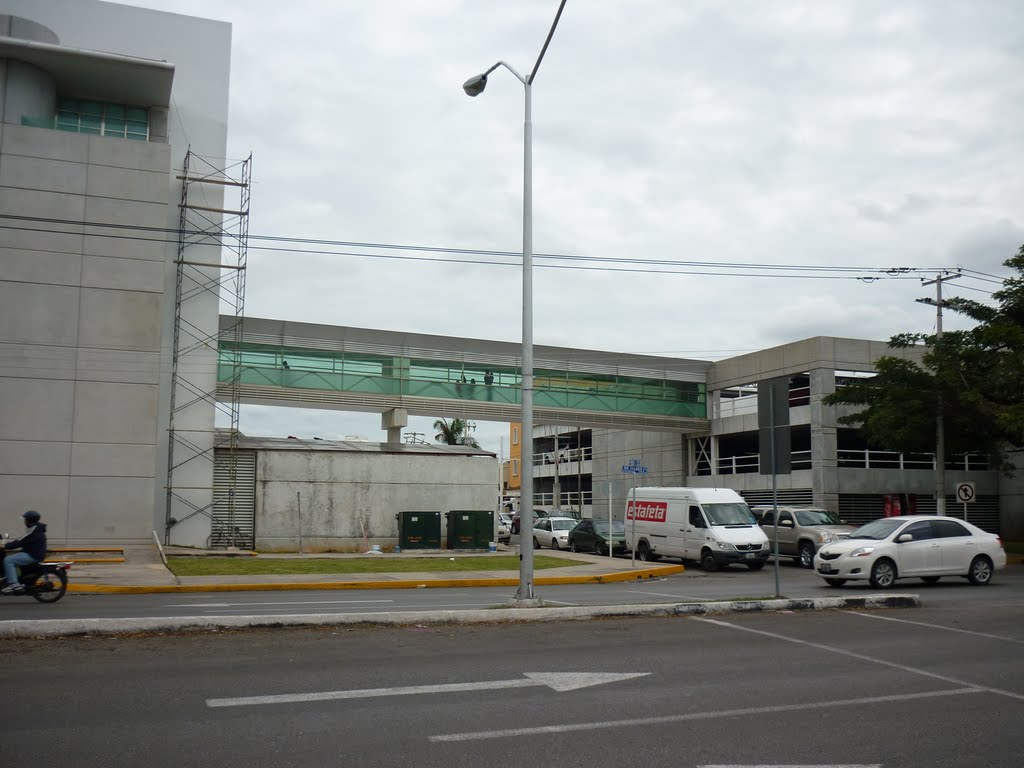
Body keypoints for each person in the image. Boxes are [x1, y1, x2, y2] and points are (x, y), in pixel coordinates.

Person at [2, 510, 47, 594]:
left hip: (33, 555)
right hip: (32, 553)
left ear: (29, 520)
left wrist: (5, 546)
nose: (24, 521)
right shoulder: (35, 529)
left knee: (8, 560)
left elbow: (20, 541)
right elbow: (22, 539)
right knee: (14, 558)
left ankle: (14, 585)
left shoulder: (34, 531)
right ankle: (12, 578)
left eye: (25, 519)